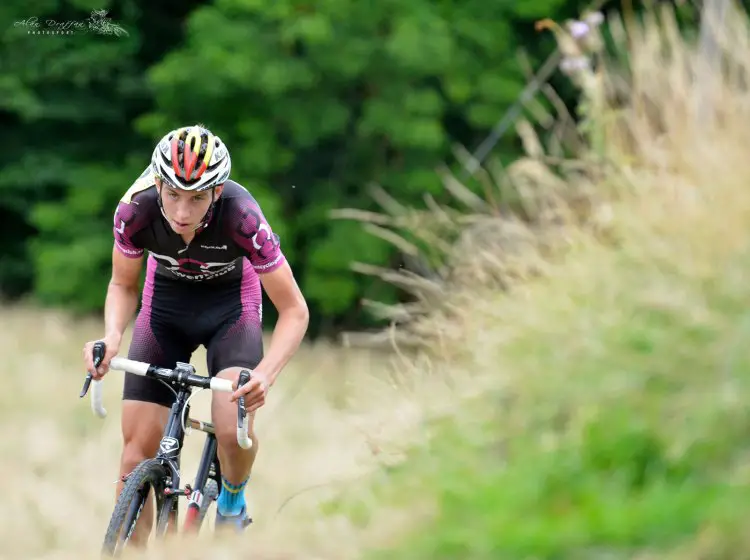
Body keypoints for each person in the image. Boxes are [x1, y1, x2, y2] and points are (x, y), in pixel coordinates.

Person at [82, 124, 309, 540]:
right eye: (172, 195)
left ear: (217, 193)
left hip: (230, 308)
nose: (182, 212)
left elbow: (294, 311)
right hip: (164, 306)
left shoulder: (243, 217)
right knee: (134, 455)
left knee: (230, 426)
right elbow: (122, 284)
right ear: (157, 184)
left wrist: (265, 375)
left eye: (198, 198)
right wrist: (112, 335)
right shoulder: (134, 210)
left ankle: (232, 499)